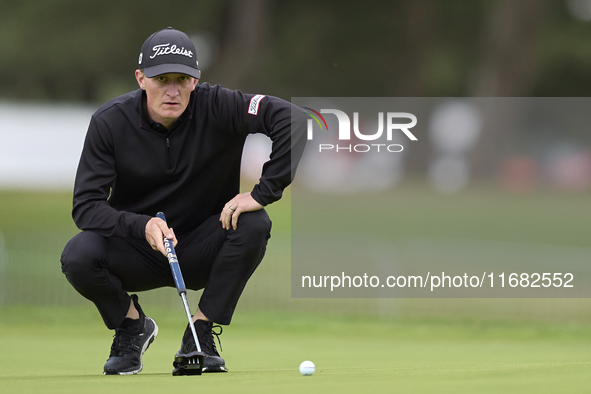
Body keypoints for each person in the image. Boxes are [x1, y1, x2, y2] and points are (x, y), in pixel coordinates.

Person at [60, 27, 306, 375]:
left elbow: (292, 119)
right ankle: (131, 326)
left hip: (203, 246)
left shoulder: (220, 104)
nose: (173, 90)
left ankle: (200, 334)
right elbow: (85, 206)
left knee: (254, 222)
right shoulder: (109, 122)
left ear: (196, 79)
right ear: (141, 78)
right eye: (162, 79)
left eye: (182, 78)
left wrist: (263, 192)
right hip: (138, 249)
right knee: (78, 255)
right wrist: (141, 224)